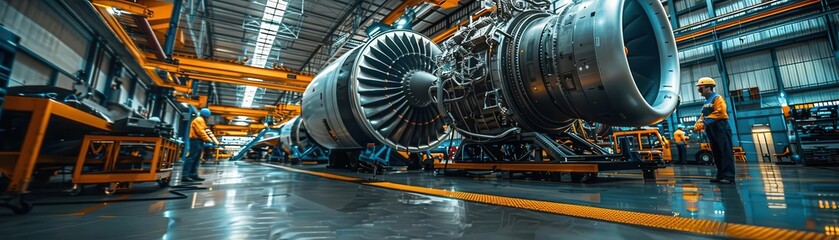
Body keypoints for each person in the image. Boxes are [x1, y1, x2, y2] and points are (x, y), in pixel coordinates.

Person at [694, 77, 735, 184]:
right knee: (716, 153)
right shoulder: (706, 101)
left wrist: (704, 122)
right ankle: (721, 175)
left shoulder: (717, 98)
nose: (699, 91)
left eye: (700, 88)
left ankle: (729, 176)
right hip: (711, 128)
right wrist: (698, 123)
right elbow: (703, 115)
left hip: (720, 127)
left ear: (709, 87)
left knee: (725, 152)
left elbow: (720, 112)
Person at [182, 108, 219, 182]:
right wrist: (208, 140)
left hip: (199, 141)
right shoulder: (199, 120)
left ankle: (193, 174)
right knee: (192, 157)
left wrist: (215, 141)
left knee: (196, 158)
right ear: (206, 115)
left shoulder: (202, 121)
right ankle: (185, 175)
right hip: (195, 140)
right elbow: (201, 131)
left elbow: (207, 131)